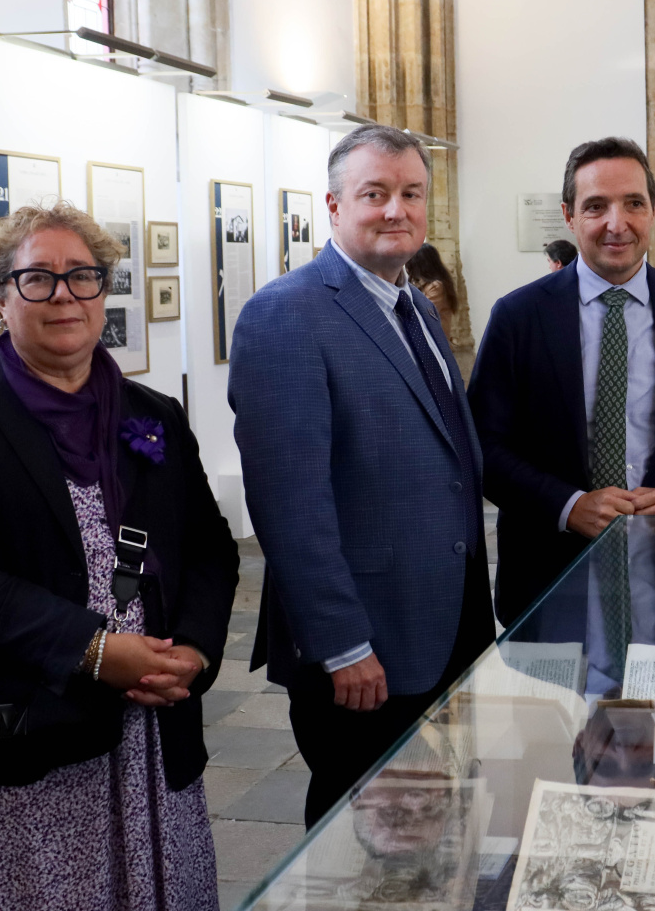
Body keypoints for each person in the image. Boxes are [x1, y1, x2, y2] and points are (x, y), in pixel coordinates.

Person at [0, 203, 238, 909]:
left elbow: (208, 546)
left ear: (103, 291)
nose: (64, 296)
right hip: (17, 732)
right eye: (37, 280)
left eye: (82, 277)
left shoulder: (153, 414)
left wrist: (195, 653)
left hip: (146, 722)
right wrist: (94, 649)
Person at [229, 124, 496, 827]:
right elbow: (290, 504)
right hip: (366, 646)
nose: (394, 209)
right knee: (361, 832)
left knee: (437, 818)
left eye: (410, 193)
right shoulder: (285, 315)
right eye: (374, 193)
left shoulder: (416, 308)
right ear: (334, 205)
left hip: (445, 622)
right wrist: (342, 643)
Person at [469, 137, 655, 628]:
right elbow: (484, 445)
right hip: (548, 572)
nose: (617, 224)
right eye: (596, 206)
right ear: (569, 217)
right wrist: (567, 505)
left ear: (654, 210)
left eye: (634, 203)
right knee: (557, 706)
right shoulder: (519, 316)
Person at [404, 242, 475, 378]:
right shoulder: (424, 284)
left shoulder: (436, 287)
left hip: (435, 347)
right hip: (429, 346)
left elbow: (420, 314)